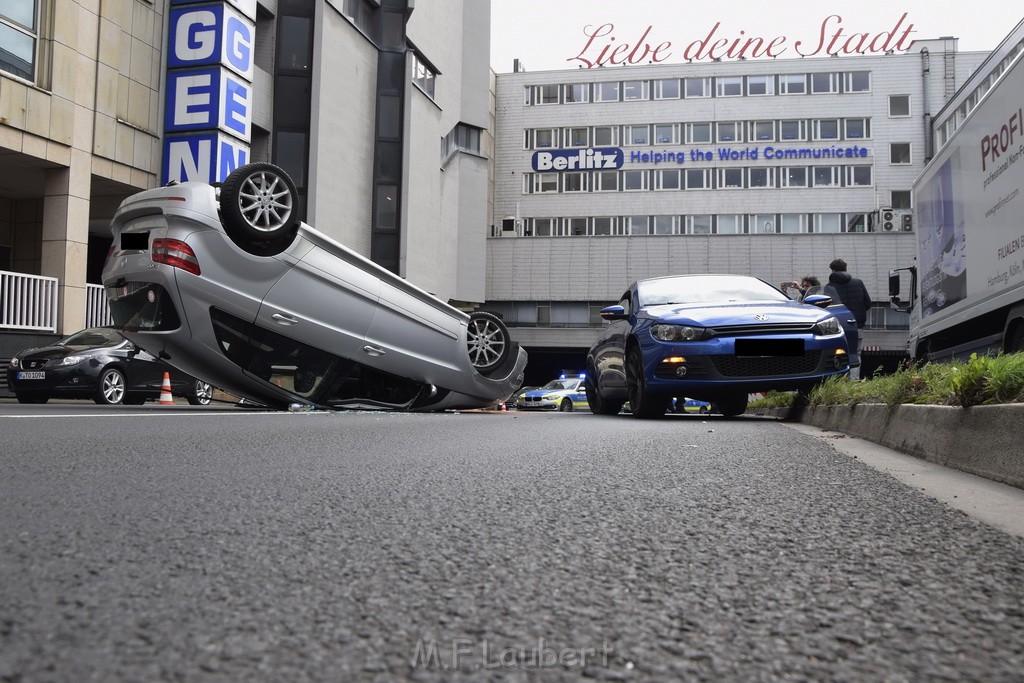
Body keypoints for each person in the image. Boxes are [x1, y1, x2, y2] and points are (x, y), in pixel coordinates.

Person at [827, 258, 871, 379]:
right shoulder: (858, 282)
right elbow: (868, 303)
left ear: (833, 270)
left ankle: (840, 380)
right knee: (855, 353)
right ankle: (854, 381)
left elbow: (827, 307)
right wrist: (858, 314)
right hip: (857, 325)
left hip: (838, 327)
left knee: (836, 353)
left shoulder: (829, 287)